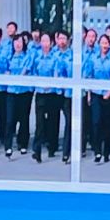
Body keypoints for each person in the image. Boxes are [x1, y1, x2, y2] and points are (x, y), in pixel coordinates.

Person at [32, 31, 64, 163]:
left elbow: (56, 74)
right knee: (39, 123)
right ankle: (37, 150)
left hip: (52, 93)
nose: (45, 43)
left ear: (51, 43)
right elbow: (34, 73)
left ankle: (52, 147)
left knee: (52, 121)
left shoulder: (55, 58)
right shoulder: (36, 57)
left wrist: (50, 84)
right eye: (43, 41)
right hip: (40, 93)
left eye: (47, 41)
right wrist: (39, 84)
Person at [5, 32, 34, 158]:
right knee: (10, 119)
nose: (18, 44)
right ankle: (8, 146)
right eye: (16, 42)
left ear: (24, 44)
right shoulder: (9, 57)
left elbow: (25, 71)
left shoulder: (27, 57)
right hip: (11, 91)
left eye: (20, 42)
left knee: (24, 118)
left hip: (24, 91)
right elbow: (6, 71)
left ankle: (23, 144)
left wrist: (15, 77)